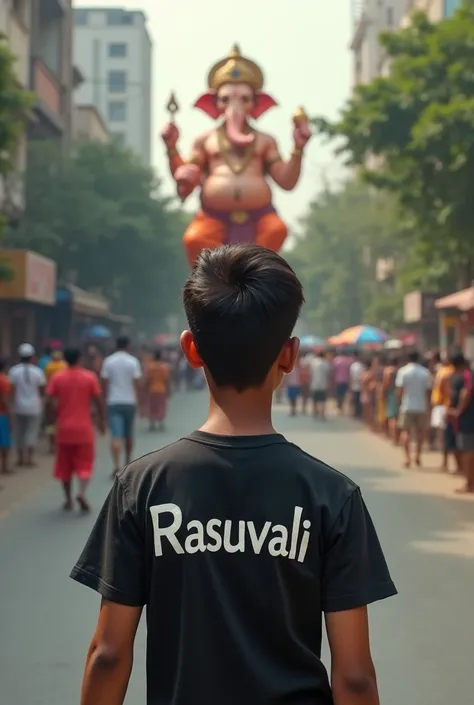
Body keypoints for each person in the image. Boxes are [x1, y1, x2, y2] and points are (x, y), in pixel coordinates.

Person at [72, 245, 396, 705]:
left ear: (191, 349)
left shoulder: (141, 487)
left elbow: (108, 654)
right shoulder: (331, 495)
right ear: (289, 356)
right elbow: (356, 676)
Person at [47, 348, 106, 511]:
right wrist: (102, 421)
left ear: (65, 359)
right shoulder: (89, 377)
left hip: (64, 429)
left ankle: (67, 499)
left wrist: (50, 422)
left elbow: (49, 402)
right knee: (85, 464)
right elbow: (98, 401)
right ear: (80, 358)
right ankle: (81, 492)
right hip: (84, 429)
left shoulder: (57, 378)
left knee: (64, 465)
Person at [101, 336, 142, 476]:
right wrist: (139, 401)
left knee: (116, 435)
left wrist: (104, 400)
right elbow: (137, 383)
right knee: (129, 434)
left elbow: (104, 383)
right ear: (128, 346)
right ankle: (128, 462)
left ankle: (116, 465)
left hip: (113, 402)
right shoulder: (133, 361)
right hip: (129, 401)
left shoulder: (108, 361)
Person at [9, 344, 46, 467]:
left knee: (19, 432)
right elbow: (42, 389)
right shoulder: (38, 371)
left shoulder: (13, 371)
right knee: (32, 431)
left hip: (18, 406)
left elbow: (12, 390)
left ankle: (20, 459)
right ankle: (29, 459)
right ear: (32, 357)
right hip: (34, 406)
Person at [396, 350, 432, 468]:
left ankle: (407, 457)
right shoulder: (425, 372)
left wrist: (399, 403)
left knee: (406, 432)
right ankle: (417, 456)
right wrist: (429, 406)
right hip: (421, 406)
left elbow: (399, 391)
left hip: (407, 405)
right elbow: (428, 391)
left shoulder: (403, 371)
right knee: (420, 432)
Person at [448, 353, 474, 493]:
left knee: (468, 452)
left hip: (468, 418)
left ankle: (469, 484)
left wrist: (458, 411)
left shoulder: (465, 375)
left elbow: (466, 392)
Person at [44, 349, 68, 453]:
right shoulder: (64, 365)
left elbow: (46, 381)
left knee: (50, 423)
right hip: (63, 398)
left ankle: (51, 445)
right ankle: (61, 444)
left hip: (51, 396)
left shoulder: (48, 366)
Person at [145, 350, 171, 431]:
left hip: (152, 390)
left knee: (152, 407)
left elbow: (147, 379)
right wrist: (168, 390)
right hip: (161, 389)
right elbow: (166, 380)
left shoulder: (149, 367)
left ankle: (151, 424)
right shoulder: (164, 367)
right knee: (161, 406)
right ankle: (160, 424)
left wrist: (145, 389)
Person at [308, 350, 331, 419]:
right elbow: (328, 374)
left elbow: (310, 373)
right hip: (323, 384)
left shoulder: (313, 362)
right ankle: (322, 414)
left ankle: (315, 413)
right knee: (322, 400)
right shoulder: (326, 363)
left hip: (314, 383)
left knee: (315, 399)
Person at [383, 356, 400, 444]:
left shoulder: (387, 371)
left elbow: (386, 384)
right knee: (397, 416)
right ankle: (397, 437)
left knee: (392, 417)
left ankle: (393, 438)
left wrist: (384, 394)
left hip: (391, 393)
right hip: (399, 393)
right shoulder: (399, 370)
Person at [0, 359, 12, 474]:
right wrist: (10, 416)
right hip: (2, 415)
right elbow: (5, 400)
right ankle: (4, 467)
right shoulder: (4, 380)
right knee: (4, 444)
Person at [332, 350, 352, 414]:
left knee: (338, 393)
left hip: (338, 379)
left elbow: (333, 370)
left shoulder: (336, 360)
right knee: (343, 394)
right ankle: (341, 405)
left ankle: (339, 405)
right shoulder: (348, 361)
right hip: (346, 379)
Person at [350, 351, 364, 419]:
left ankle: (357, 413)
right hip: (359, 386)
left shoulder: (353, 366)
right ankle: (358, 413)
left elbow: (351, 377)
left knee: (356, 400)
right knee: (358, 400)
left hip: (356, 385)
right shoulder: (361, 365)